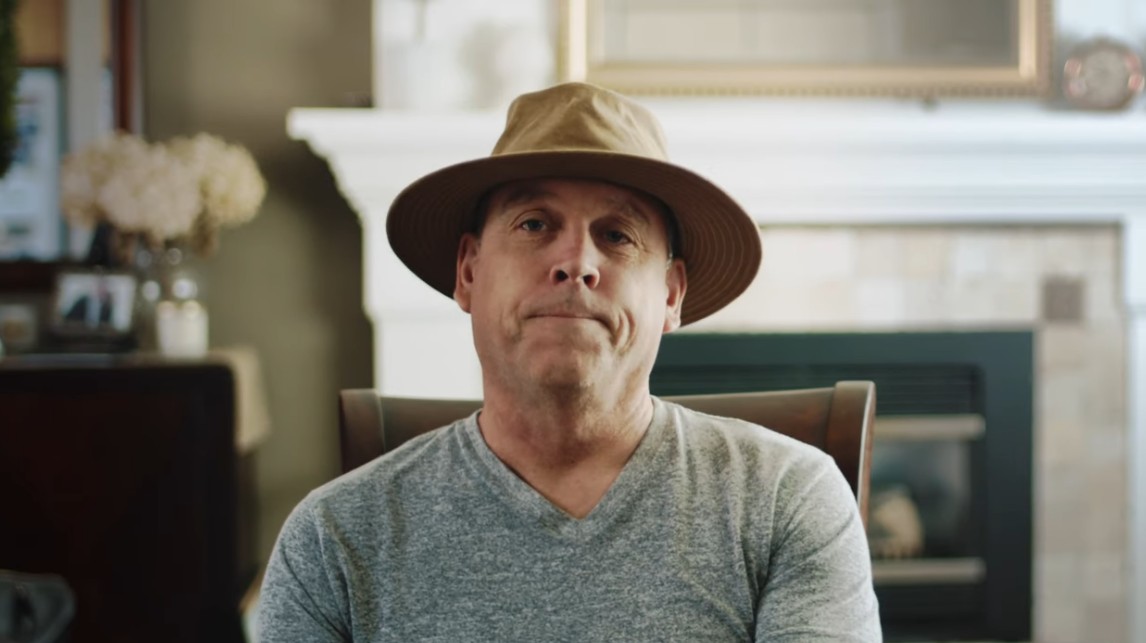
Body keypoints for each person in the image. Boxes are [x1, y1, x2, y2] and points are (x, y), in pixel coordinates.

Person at [258, 82, 881, 641]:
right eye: (534, 224)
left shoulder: (788, 499)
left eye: (617, 235)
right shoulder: (331, 538)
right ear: (468, 271)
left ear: (671, 294)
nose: (577, 261)